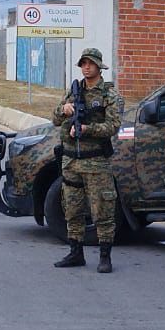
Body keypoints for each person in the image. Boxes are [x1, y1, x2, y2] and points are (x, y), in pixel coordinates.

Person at [51, 48, 124, 273]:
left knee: (102, 209)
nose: (86, 67)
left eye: (90, 63)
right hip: (71, 160)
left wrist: (87, 128)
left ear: (99, 67)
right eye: (83, 63)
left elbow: (113, 127)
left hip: (96, 161)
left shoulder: (110, 96)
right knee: (72, 209)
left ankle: (105, 256)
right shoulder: (73, 92)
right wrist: (63, 110)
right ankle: (75, 252)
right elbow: (54, 119)